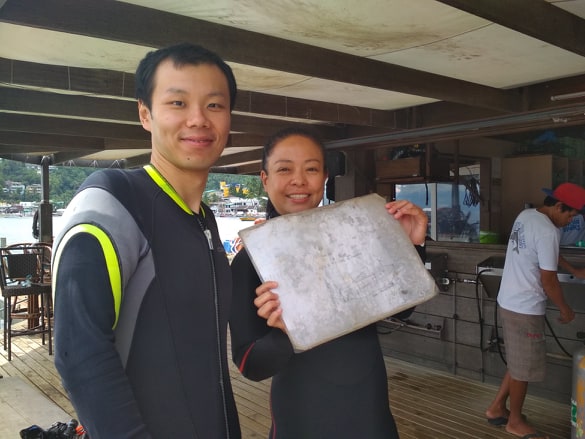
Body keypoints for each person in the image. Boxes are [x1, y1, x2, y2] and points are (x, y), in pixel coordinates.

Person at [52, 43, 241, 438]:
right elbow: (79, 353)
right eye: (177, 102)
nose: (197, 119)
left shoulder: (204, 221)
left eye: (214, 105)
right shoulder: (112, 200)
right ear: (145, 114)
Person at [229, 126, 428, 439]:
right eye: (284, 169)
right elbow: (249, 364)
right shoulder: (252, 259)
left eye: (311, 169)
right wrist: (284, 332)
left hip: (371, 416)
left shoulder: (353, 241)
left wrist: (408, 248)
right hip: (302, 419)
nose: (299, 180)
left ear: (324, 178)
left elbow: (402, 311)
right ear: (265, 179)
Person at [485, 182, 585, 439]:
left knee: (520, 360)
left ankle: (497, 409)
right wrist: (566, 309)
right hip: (525, 307)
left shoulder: (528, 215)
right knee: (524, 367)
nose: (570, 220)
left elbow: (548, 253)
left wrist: (573, 270)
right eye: (570, 214)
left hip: (509, 300)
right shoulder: (548, 231)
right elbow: (548, 280)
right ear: (559, 206)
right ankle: (515, 421)